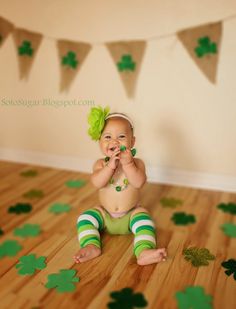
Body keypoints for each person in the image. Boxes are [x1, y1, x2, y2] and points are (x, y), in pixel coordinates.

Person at [73, 106, 167, 265]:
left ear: (132, 141)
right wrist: (110, 167)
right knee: (85, 218)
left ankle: (143, 251)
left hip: (131, 214)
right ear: (100, 142)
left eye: (121, 136)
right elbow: (97, 183)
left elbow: (139, 182)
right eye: (107, 137)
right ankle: (91, 245)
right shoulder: (100, 164)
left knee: (145, 220)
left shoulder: (137, 164)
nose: (114, 141)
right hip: (105, 215)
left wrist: (128, 164)